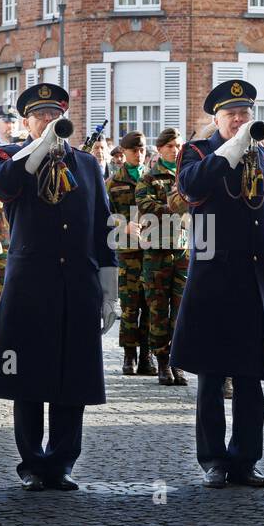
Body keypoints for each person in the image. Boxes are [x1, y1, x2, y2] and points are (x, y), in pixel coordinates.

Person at [0, 82, 118, 492]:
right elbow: (4, 187)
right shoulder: (10, 156)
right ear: (26, 123)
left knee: (72, 377)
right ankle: (32, 463)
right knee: (28, 376)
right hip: (31, 283)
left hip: (77, 282)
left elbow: (103, 227)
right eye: (39, 116)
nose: (48, 121)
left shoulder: (86, 164)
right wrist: (39, 146)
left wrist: (109, 291)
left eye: (54, 115)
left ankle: (61, 462)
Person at [171, 80, 264, 489]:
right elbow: (191, 187)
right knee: (211, 374)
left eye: (245, 113)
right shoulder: (198, 152)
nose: (240, 120)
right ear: (217, 118)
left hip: (257, 278)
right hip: (215, 277)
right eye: (231, 114)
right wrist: (232, 148)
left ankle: (245, 459)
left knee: (250, 377)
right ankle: (213, 460)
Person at [134, 127, 189, 385]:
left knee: (181, 310)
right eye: (170, 146)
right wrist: (174, 206)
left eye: (178, 146)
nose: (175, 150)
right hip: (157, 252)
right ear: (160, 149)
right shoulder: (148, 178)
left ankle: (178, 361)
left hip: (182, 251)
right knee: (157, 310)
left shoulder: (187, 176)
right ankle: (163, 361)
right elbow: (146, 206)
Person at [106, 131, 154, 376]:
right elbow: (103, 215)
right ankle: (129, 355)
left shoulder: (153, 178)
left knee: (151, 304)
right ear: (123, 152)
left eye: (142, 150)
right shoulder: (113, 183)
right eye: (134, 150)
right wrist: (122, 224)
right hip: (127, 252)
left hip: (153, 251)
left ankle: (147, 355)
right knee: (129, 306)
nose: (139, 154)